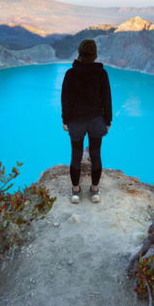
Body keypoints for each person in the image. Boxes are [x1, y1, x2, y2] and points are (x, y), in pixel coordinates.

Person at [61, 39, 112, 204]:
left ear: (79, 53)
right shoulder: (101, 73)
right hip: (97, 120)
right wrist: (108, 120)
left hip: (76, 121)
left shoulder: (71, 73)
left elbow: (66, 99)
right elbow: (107, 99)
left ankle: (76, 192)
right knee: (96, 155)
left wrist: (65, 119)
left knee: (76, 156)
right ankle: (95, 191)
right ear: (95, 54)